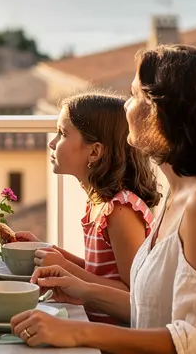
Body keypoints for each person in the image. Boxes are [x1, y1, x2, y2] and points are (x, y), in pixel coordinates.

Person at [10, 45, 196, 354]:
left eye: (135, 96)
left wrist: (77, 332)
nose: (127, 107)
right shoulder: (181, 195)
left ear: (163, 114)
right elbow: (151, 312)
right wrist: (81, 290)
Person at [16, 91, 161, 325]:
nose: (52, 143)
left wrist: (66, 270)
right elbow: (98, 273)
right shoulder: (99, 203)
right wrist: (46, 250)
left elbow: (133, 293)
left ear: (94, 151)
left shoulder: (121, 210)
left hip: (116, 347)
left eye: (62, 134)